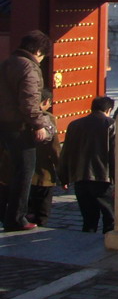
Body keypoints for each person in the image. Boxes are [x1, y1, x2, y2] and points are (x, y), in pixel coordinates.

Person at [0, 30, 51, 231]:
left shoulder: (7, 62)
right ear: (38, 51)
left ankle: (8, 214)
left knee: (10, 171)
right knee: (24, 172)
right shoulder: (28, 68)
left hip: (3, 123)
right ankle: (17, 217)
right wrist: (39, 124)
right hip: (19, 126)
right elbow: (30, 103)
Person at [60, 95, 116, 233]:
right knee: (110, 218)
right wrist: (117, 180)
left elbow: (66, 152)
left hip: (80, 177)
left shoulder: (74, 125)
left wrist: (64, 176)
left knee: (88, 219)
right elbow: (114, 155)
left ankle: (86, 244)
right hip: (103, 178)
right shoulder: (111, 124)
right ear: (108, 110)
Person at [28, 88, 61, 227]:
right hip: (43, 174)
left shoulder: (20, 116)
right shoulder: (48, 118)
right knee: (42, 211)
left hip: (22, 174)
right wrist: (62, 172)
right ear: (46, 101)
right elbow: (54, 149)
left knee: (26, 209)